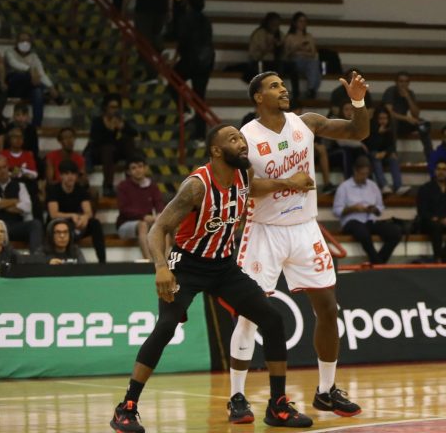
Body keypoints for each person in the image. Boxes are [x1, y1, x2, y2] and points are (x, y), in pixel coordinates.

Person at [108, 125, 313, 433]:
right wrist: (161, 267)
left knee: (272, 320)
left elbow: (254, 188)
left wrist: (289, 183)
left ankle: (277, 406)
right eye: (233, 139)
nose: (242, 142)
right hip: (187, 265)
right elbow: (158, 229)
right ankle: (126, 407)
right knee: (166, 326)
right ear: (216, 151)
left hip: (223, 267)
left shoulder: (244, 175)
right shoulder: (196, 186)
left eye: (241, 137)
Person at [227, 71, 370, 420]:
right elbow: (246, 187)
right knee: (249, 315)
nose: (283, 89)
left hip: (305, 228)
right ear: (258, 97)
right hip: (265, 231)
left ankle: (326, 391)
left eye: (282, 84)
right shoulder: (246, 137)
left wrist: (357, 101)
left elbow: (358, 132)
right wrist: (288, 182)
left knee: (328, 308)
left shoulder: (306, 123)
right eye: (274, 86)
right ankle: (237, 397)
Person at [333, 156, 402, 266]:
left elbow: (380, 207)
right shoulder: (344, 187)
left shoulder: (373, 186)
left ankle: (377, 263)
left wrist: (374, 209)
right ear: (355, 171)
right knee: (362, 232)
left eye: (366, 174)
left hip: (370, 220)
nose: (364, 177)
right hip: (352, 221)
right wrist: (353, 208)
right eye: (362, 174)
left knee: (395, 231)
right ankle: (378, 263)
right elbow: (336, 211)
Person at [46, 161, 106, 262]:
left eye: (73, 174)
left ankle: (102, 261)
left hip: (76, 223)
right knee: (63, 226)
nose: (70, 177)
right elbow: (54, 214)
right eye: (67, 174)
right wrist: (72, 215)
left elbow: (89, 212)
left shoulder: (80, 190)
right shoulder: (54, 190)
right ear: (61, 176)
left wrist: (84, 218)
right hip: (58, 223)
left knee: (95, 223)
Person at [0, 154, 42, 251]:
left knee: (35, 224)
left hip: (15, 225)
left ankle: (36, 255)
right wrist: (15, 201)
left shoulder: (20, 185)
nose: (2, 171)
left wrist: (0, 205)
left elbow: (27, 207)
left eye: (4, 167)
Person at [4, 31, 59, 127]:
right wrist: (30, 70)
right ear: (16, 42)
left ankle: (36, 126)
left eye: (27, 41)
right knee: (23, 75)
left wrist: (51, 87)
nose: (25, 43)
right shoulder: (9, 52)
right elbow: (14, 64)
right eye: (22, 40)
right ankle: (45, 91)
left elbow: (41, 73)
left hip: (28, 88)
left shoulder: (34, 56)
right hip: (14, 86)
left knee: (37, 92)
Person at [89, 93, 140, 197]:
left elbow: (134, 133)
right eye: (112, 107)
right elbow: (96, 140)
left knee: (128, 141)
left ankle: (131, 181)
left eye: (116, 107)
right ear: (105, 107)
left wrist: (123, 127)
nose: (114, 110)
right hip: (99, 152)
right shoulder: (98, 121)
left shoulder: (118, 120)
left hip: (113, 152)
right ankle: (108, 186)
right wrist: (110, 130)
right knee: (107, 148)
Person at [116, 157, 164, 260]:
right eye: (133, 168)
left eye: (140, 166)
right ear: (128, 172)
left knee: (164, 225)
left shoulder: (152, 186)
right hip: (126, 224)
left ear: (145, 168)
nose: (138, 170)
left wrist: (159, 215)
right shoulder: (123, 186)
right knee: (142, 225)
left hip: (147, 222)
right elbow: (124, 209)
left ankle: (165, 261)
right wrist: (143, 217)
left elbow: (159, 203)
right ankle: (149, 262)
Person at [381, 72, 433, 159]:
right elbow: (389, 113)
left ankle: (430, 155)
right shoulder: (391, 91)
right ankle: (392, 153)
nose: (403, 84)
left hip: (402, 124)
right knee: (393, 121)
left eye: (406, 81)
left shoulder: (410, 93)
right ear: (396, 82)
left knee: (423, 124)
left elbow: (416, 114)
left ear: (409, 83)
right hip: (390, 124)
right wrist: (406, 118)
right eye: (401, 81)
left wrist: (408, 97)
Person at [174, 0, 215, 101]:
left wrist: (175, 58)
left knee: (173, 83)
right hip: (206, 60)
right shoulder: (206, 21)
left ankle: (183, 106)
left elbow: (182, 40)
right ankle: (197, 112)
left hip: (190, 59)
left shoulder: (185, 19)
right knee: (199, 95)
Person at [283, 12, 322, 100]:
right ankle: (312, 89)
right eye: (300, 21)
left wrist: (300, 52)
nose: (303, 23)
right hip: (295, 62)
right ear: (295, 23)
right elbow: (286, 54)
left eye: (304, 21)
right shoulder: (289, 37)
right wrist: (297, 48)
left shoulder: (309, 36)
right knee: (310, 64)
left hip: (307, 60)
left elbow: (313, 53)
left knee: (314, 63)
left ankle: (311, 89)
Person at [364, 107, 403, 193]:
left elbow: (392, 146)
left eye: (385, 118)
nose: (383, 121)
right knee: (375, 155)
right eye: (380, 118)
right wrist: (378, 134)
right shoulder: (369, 127)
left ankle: (398, 186)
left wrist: (385, 153)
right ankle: (383, 185)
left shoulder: (390, 128)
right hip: (371, 154)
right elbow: (370, 146)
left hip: (384, 154)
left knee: (393, 157)